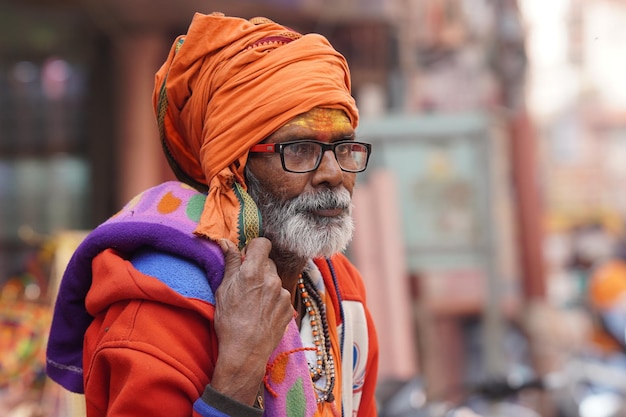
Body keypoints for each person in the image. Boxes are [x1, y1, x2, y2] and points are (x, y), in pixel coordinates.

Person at [45, 11, 379, 417]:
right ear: (235, 169)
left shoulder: (342, 291)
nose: (333, 173)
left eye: (343, 148)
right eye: (299, 149)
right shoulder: (157, 310)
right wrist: (238, 372)